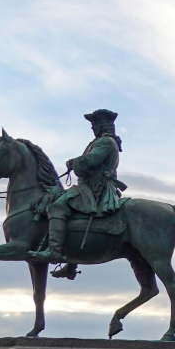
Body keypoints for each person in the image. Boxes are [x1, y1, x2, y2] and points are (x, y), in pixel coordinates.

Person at [29, 109, 126, 264]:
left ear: (102, 125)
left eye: (94, 124)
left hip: (95, 188)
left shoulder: (105, 142)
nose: (92, 128)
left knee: (56, 207)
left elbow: (92, 160)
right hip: (90, 186)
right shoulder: (102, 141)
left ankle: (54, 252)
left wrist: (73, 162)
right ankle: (71, 263)